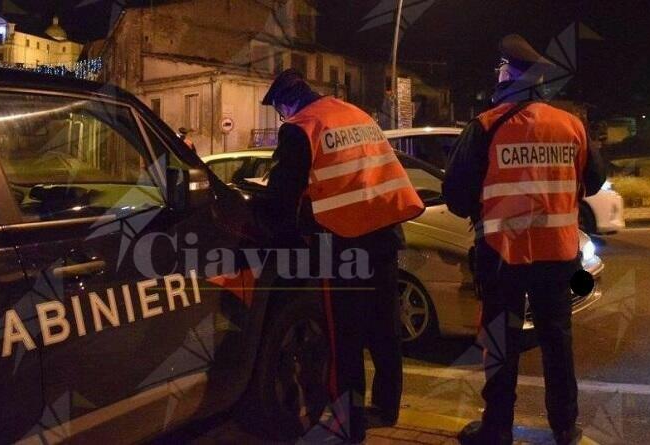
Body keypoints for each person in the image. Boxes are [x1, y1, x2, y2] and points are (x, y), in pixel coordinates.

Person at [443, 35, 606, 445]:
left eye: (501, 68)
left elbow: (456, 196)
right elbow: (595, 180)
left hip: (502, 256)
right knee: (556, 339)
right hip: (558, 256)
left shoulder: (486, 126)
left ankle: (497, 428)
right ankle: (565, 425)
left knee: (501, 342)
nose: (497, 74)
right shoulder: (572, 125)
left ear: (512, 77)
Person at [258, 69, 424, 443]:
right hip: (384, 237)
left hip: (345, 244)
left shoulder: (302, 127)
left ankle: (350, 423)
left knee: (344, 338)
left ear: (286, 103)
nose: (283, 118)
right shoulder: (355, 113)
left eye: (281, 111)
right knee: (384, 329)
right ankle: (386, 405)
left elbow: (283, 195)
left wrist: (285, 237)